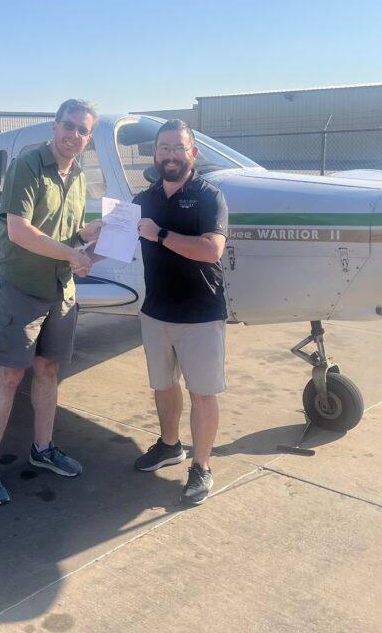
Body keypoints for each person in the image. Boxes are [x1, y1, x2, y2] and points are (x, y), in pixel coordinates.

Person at [0, 99, 103, 506]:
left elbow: (66, 237)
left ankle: (43, 449)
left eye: (83, 130)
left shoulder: (79, 176)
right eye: (69, 126)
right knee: (10, 376)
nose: (74, 135)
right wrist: (71, 254)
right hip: (20, 287)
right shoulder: (27, 165)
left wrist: (87, 239)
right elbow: (20, 232)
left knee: (47, 371)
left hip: (60, 290)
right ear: (54, 125)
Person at [132, 119, 229, 506]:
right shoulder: (143, 199)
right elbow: (116, 241)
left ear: (193, 153)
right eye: (163, 148)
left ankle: (202, 466)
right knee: (163, 385)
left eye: (177, 147)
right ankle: (170, 445)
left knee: (202, 393)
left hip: (201, 313)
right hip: (156, 311)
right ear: (154, 154)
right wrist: (81, 250)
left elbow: (211, 250)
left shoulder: (209, 197)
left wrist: (160, 234)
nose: (169, 155)